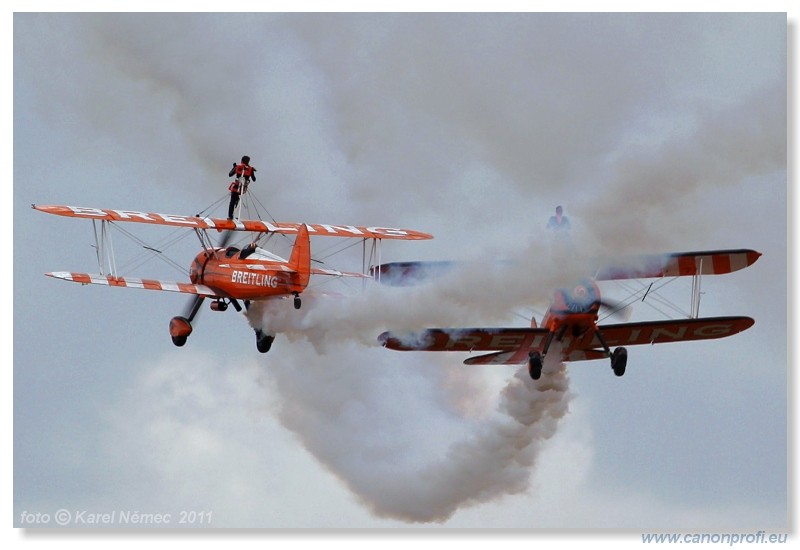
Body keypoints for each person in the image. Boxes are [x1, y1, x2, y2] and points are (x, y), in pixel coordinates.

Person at [227, 155, 257, 220]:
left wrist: (234, 168)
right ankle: (236, 214)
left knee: (232, 202)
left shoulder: (238, 167)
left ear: (242, 161)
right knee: (237, 199)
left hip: (236, 187)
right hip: (243, 189)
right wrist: (252, 172)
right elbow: (254, 179)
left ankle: (230, 216)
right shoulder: (250, 169)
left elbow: (230, 174)